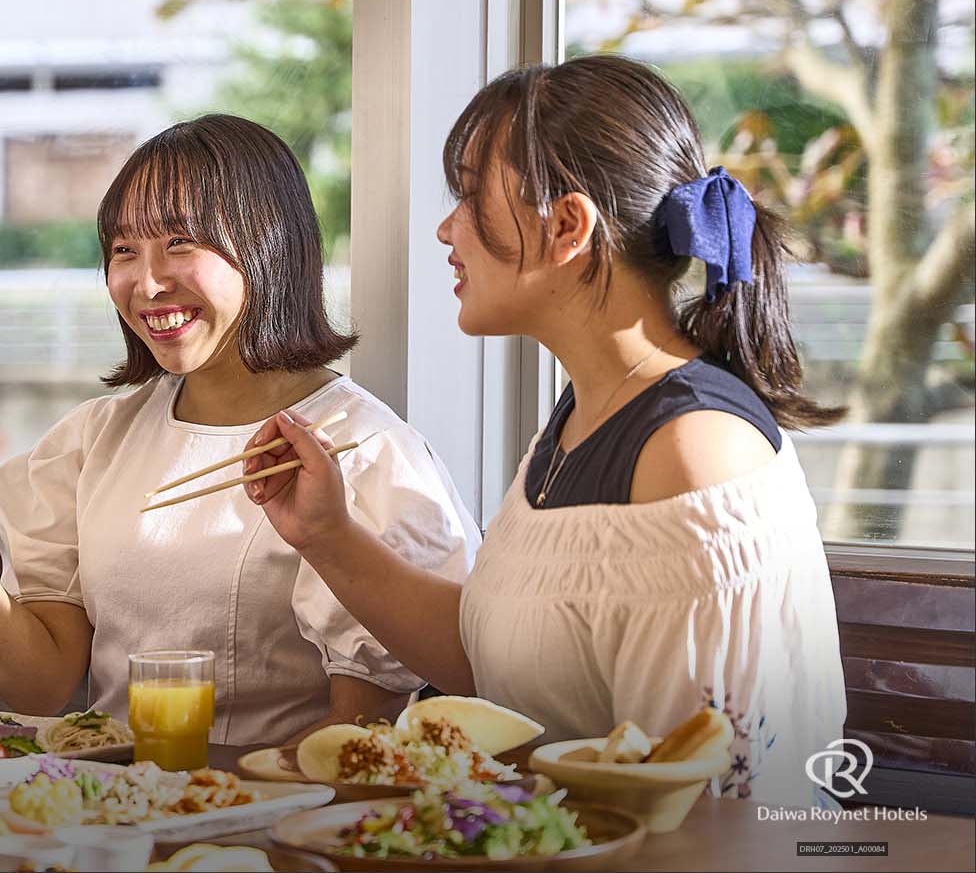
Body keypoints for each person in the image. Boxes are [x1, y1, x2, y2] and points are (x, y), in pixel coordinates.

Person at [242, 55, 846, 805]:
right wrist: (327, 532)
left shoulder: (692, 453)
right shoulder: (582, 417)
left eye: (469, 195)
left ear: (566, 226)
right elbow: (491, 659)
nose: (445, 227)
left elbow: (709, 799)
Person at [0, 116, 479, 747]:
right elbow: (37, 685)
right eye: (124, 250)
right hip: (106, 811)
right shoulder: (96, 440)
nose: (145, 282)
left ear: (270, 244)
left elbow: (360, 732)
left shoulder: (361, 449)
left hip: (259, 823)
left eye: (179, 243)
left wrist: (204, 804)